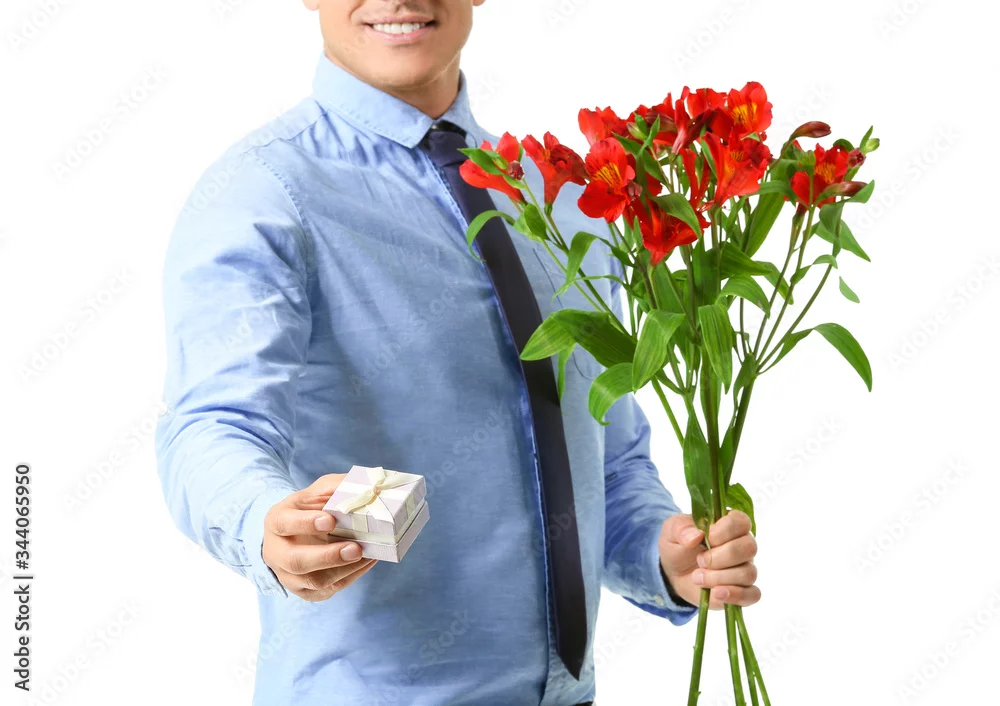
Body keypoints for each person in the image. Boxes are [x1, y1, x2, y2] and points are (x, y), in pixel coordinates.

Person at [154, 2, 761, 704]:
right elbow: (212, 423)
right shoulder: (264, 192)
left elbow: (607, 457)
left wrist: (667, 555)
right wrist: (264, 521)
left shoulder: (563, 199)